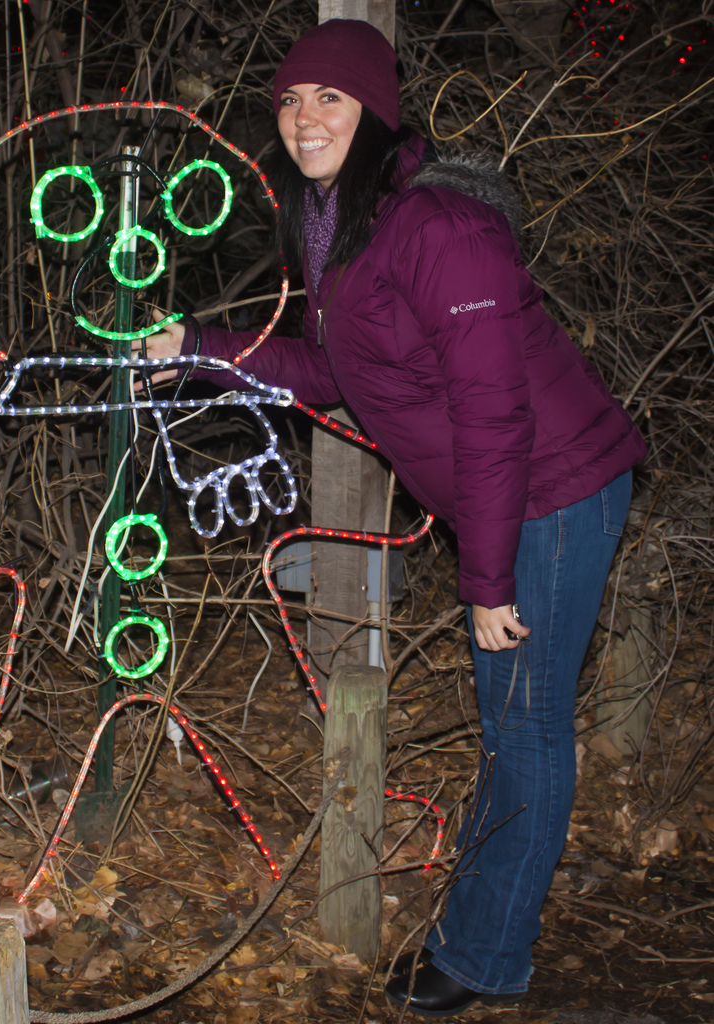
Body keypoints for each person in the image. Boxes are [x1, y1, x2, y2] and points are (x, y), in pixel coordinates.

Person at [138, 18, 647, 1018]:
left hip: (553, 490)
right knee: (514, 724)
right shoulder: (342, 227)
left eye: (330, 98)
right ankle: (483, 934)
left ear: (375, 113)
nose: (304, 117)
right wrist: (198, 343)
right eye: (289, 100)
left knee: (525, 729)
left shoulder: (438, 230)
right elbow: (335, 374)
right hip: (513, 494)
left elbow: (495, 415)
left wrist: (488, 577)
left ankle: (485, 958)